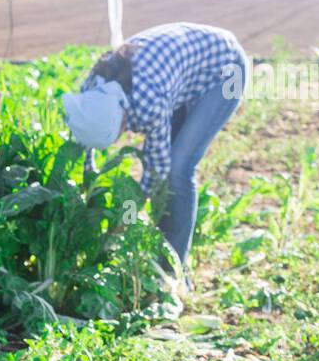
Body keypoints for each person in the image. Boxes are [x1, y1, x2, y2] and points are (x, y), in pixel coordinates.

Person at [62, 22, 248, 266]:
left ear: (123, 121)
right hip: (182, 70)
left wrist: (126, 215)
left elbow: (156, 171)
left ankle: (173, 271)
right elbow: (84, 142)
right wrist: (90, 188)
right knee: (172, 169)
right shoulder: (91, 92)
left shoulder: (148, 103)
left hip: (225, 68)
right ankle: (157, 259)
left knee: (178, 170)